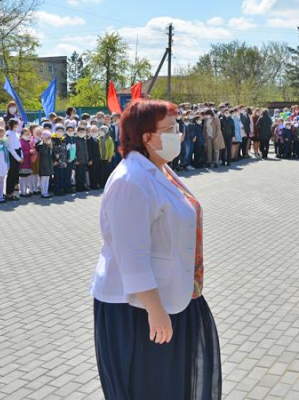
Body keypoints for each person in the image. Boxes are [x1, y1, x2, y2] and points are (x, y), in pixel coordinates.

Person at [90, 99, 221, 399]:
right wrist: (156, 311)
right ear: (146, 138)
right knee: (150, 389)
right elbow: (131, 256)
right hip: (138, 310)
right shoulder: (130, 181)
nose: (179, 135)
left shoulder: (159, 170)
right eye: (171, 129)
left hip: (169, 298)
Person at [35, 131, 54, 198]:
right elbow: (42, 153)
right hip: (43, 165)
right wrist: (45, 144)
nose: (49, 139)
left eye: (50, 138)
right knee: (43, 179)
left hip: (48, 165)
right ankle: (43, 193)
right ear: (44, 138)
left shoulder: (49, 145)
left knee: (47, 179)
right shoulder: (41, 145)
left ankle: (46, 192)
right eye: (47, 138)